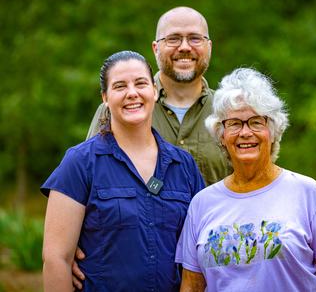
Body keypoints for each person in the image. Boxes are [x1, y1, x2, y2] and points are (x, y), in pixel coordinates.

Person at [176, 68, 316, 291]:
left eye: (256, 122)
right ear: (221, 135)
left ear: (273, 130)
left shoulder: (306, 192)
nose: (245, 132)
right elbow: (191, 287)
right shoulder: (202, 204)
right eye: (234, 123)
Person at [41, 50, 205, 291]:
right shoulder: (79, 162)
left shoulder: (184, 165)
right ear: (105, 97)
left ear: (154, 91)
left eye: (140, 83)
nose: (132, 93)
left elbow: (202, 249)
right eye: (120, 86)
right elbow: (56, 259)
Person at [86, 6, 231, 186]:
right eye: (173, 39)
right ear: (156, 48)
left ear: (208, 47)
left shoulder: (230, 113)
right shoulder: (117, 110)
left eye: (195, 38)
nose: (184, 47)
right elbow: (89, 180)